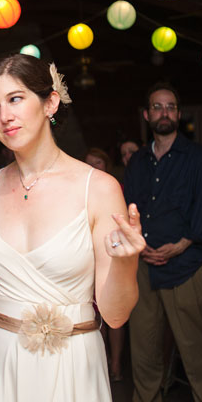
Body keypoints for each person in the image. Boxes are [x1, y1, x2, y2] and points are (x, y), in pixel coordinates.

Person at [0, 54, 145, 402]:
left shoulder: (99, 188)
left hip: (71, 363)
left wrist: (126, 260)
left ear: (50, 103)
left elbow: (116, 316)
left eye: (15, 99)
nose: (4, 116)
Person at [123, 82, 202, 402]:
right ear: (147, 114)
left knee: (196, 346)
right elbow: (127, 207)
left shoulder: (200, 159)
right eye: (157, 107)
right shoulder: (137, 160)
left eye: (170, 107)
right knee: (144, 345)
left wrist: (181, 244)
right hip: (142, 265)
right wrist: (140, 244)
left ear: (179, 115)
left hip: (185, 264)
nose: (163, 113)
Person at [86, 146, 126, 382]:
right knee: (94, 314)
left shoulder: (115, 189)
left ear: (106, 166)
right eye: (88, 164)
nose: (92, 168)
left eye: (97, 164)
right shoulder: (78, 191)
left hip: (111, 256)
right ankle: (100, 359)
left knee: (113, 314)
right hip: (88, 260)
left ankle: (117, 363)